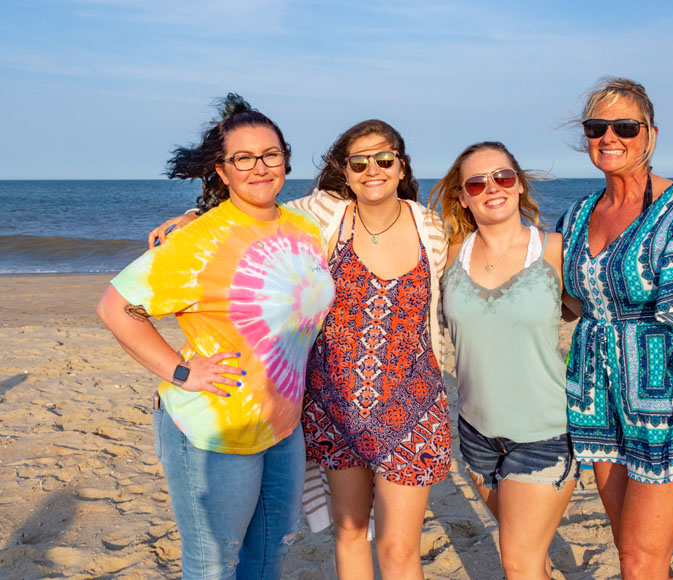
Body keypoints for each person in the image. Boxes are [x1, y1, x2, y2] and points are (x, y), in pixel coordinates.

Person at [149, 120, 450, 580]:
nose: (374, 169)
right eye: (359, 161)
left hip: (414, 406)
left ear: (401, 165)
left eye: (384, 158)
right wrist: (195, 217)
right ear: (344, 172)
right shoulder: (321, 217)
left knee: (400, 548)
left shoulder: (430, 226)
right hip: (335, 405)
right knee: (349, 534)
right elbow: (253, 209)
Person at [97, 94, 335, 579]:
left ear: (285, 158)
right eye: (242, 158)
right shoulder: (198, 239)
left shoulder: (305, 227)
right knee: (214, 567)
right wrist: (181, 372)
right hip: (212, 431)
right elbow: (116, 307)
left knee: (268, 557)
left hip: (284, 427)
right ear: (222, 171)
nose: (259, 167)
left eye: (270, 154)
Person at [556, 77, 673, 580]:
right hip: (597, 398)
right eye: (597, 127)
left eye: (625, 127)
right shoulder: (576, 216)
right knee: (632, 554)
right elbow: (570, 302)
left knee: (642, 561)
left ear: (651, 136)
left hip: (667, 404)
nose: (609, 137)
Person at [431, 141, 577, 580]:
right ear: (462, 196)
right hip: (475, 435)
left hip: (544, 435)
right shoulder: (451, 252)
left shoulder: (555, 249)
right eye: (476, 182)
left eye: (502, 176)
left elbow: (597, 313)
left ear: (518, 185)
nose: (491, 187)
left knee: (517, 560)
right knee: (532, 557)